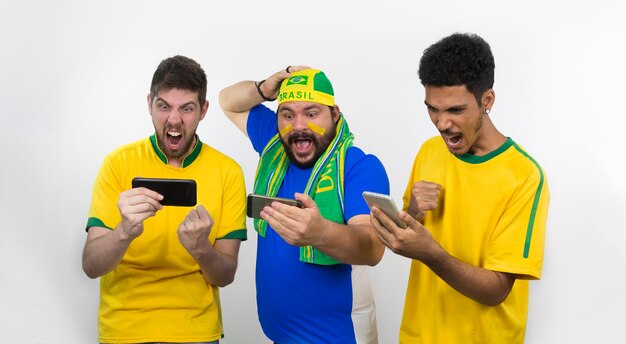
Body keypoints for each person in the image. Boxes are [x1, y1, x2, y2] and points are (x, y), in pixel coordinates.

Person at [369, 33, 550, 343]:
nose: (441, 123)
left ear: (487, 101)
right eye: (432, 109)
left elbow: (496, 290)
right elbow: (410, 232)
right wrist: (410, 213)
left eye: (455, 110)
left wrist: (432, 255)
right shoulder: (429, 151)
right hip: (417, 336)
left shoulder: (524, 176)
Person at [82, 55, 247, 343]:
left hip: (195, 331)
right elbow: (91, 266)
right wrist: (124, 231)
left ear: (203, 110)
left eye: (186, 108)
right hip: (124, 329)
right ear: (149, 104)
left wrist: (200, 249)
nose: (174, 120)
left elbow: (225, 275)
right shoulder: (117, 164)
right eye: (164, 106)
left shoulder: (228, 172)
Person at [219, 67, 389, 343]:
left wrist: (321, 233)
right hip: (281, 336)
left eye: (311, 114)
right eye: (287, 115)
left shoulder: (359, 167)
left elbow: (372, 248)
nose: (298, 126)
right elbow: (228, 101)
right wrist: (265, 88)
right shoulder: (276, 146)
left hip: (339, 335)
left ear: (334, 114)